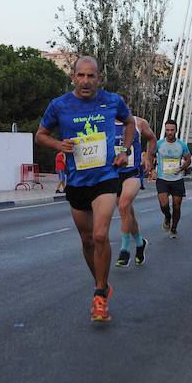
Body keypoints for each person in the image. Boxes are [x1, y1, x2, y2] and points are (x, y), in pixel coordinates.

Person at [35, 56, 134, 322]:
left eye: (91, 76)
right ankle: (101, 282)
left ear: (99, 78)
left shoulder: (112, 100)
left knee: (101, 235)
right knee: (88, 240)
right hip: (77, 181)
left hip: (105, 177)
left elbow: (130, 123)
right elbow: (40, 134)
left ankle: (99, 295)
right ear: (73, 77)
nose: (86, 81)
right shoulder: (59, 105)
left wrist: (124, 151)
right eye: (81, 76)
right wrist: (59, 146)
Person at [114, 115, 156, 267]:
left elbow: (152, 138)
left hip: (133, 172)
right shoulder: (104, 122)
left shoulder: (139, 123)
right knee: (127, 213)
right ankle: (139, 242)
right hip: (114, 174)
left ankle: (124, 250)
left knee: (124, 206)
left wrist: (148, 158)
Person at [154, 119, 191, 238]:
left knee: (177, 205)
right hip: (162, 178)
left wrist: (182, 168)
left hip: (177, 179)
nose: (170, 132)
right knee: (164, 204)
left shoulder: (182, 145)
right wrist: (151, 170)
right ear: (165, 130)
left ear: (176, 131)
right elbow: (149, 155)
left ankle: (174, 228)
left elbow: (188, 159)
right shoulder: (159, 144)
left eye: (172, 130)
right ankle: (167, 217)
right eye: (168, 130)